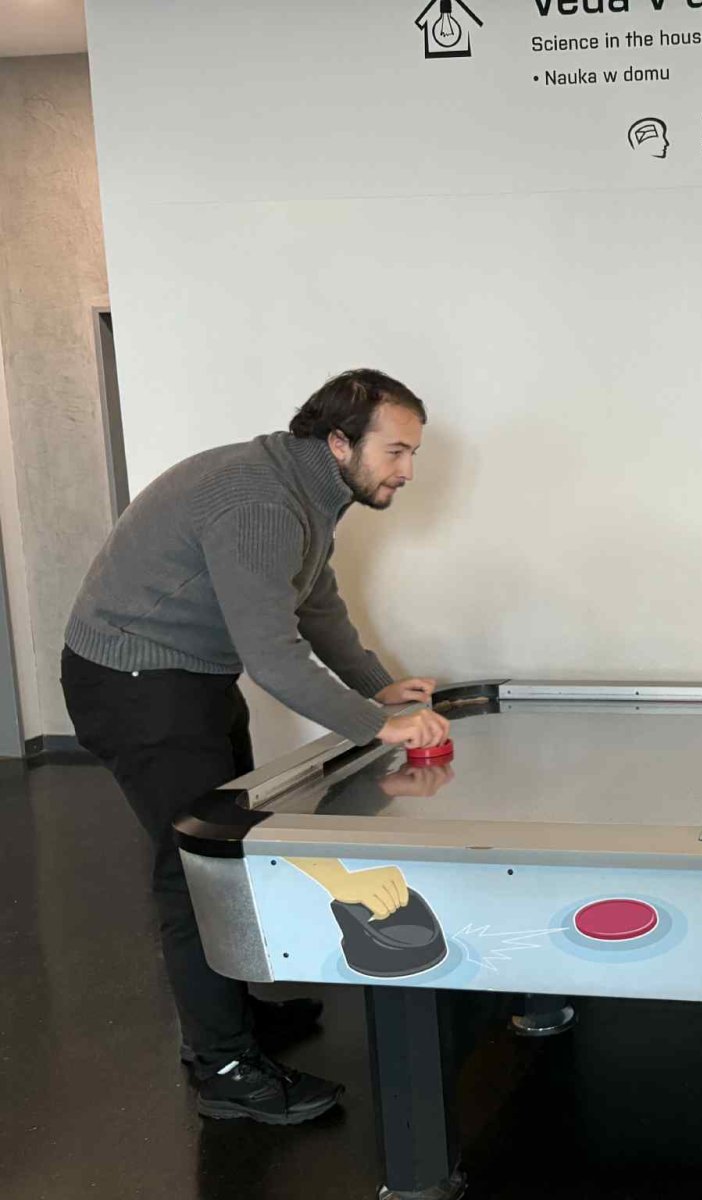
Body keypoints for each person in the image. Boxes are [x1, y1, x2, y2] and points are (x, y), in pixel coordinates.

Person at [60, 368, 452, 1124]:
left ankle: (231, 1017)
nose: (407, 471)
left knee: (228, 851)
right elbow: (272, 654)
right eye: (397, 451)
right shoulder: (263, 501)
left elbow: (315, 602)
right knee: (194, 867)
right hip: (136, 683)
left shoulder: (304, 488)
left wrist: (375, 687)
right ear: (340, 442)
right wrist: (377, 725)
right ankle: (224, 1066)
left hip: (185, 676)